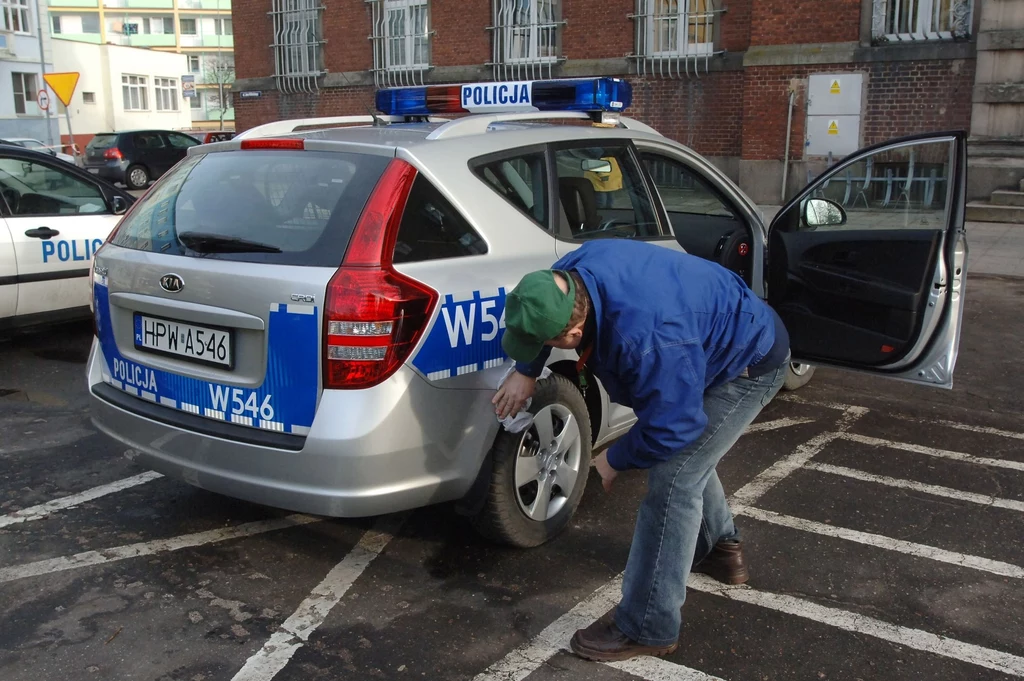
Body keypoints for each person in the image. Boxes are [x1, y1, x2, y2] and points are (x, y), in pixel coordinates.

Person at [493, 239, 791, 663]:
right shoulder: (567, 276)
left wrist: (614, 459)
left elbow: (676, 425)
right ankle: (722, 550)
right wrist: (525, 371)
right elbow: (541, 315)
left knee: (675, 478)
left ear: (573, 334)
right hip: (706, 341)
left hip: (750, 362)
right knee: (693, 461)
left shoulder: (648, 337)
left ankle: (648, 626)